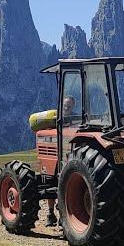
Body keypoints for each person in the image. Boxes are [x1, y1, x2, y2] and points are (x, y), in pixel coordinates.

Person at [45, 96, 76, 227]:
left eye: (69, 106)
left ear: (73, 107)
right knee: (51, 182)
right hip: (57, 156)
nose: (67, 108)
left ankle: (64, 216)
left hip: (69, 156)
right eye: (65, 106)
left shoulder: (76, 119)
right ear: (61, 106)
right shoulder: (55, 119)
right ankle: (51, 214)